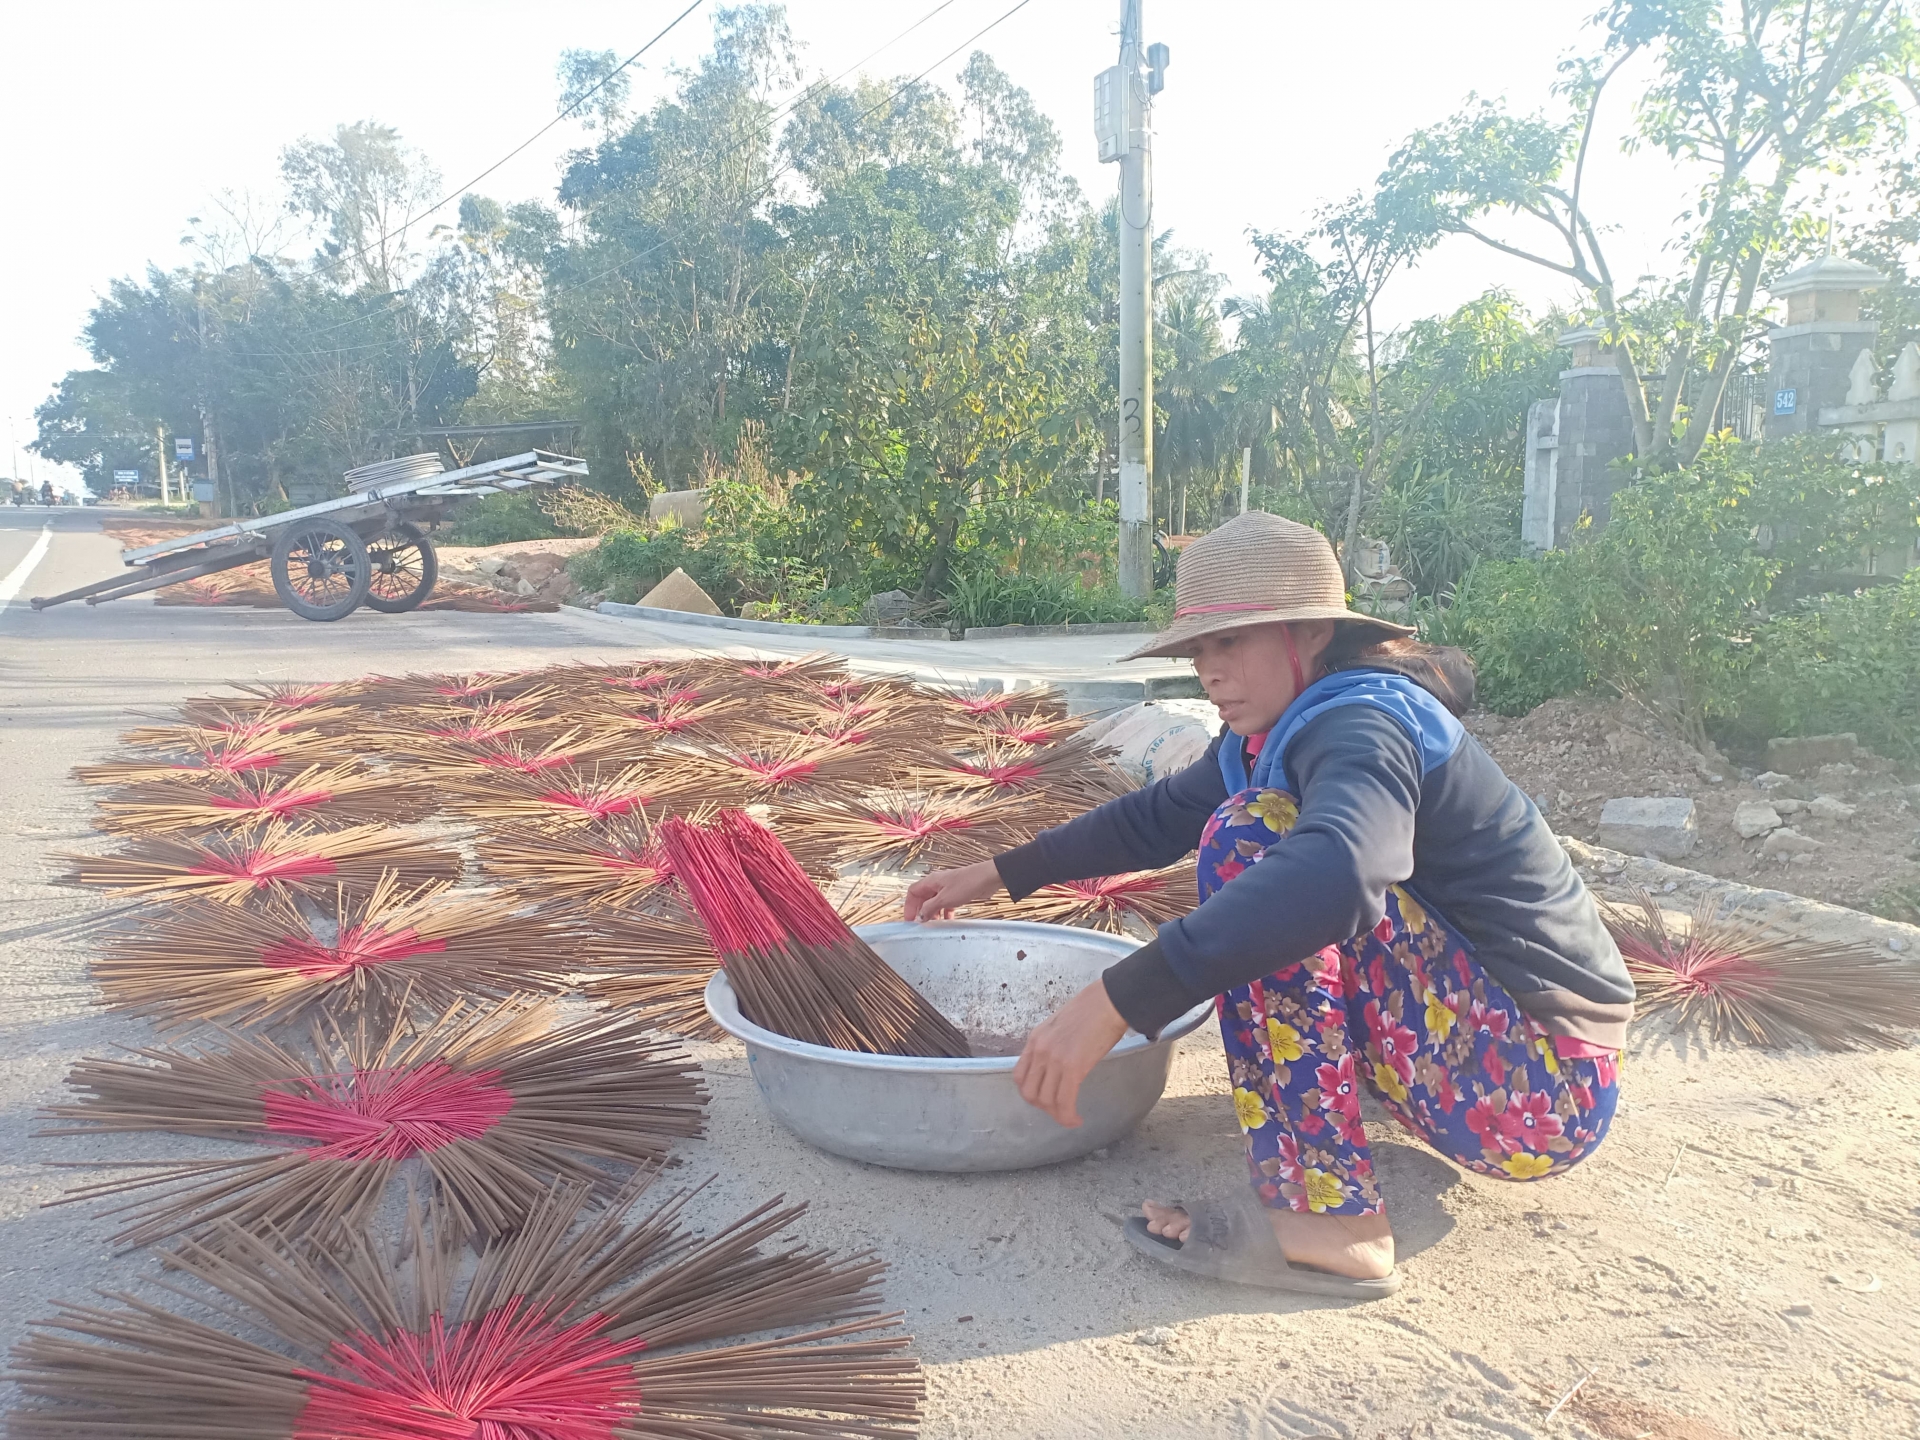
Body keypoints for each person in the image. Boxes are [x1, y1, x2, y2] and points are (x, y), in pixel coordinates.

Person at [904, 512, 1630, 1300]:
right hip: (1477, 1063)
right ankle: (1333, 1168)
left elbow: (1340, 872)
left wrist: (1119, 998)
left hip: (1538, 1091)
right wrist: (997, 872)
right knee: (1241, 828)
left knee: (1251, 840)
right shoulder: (1276, 731)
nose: (1210, 671)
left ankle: (1335, 1223)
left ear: (1312, 633)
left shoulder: (1365, 721)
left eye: (1232, 642)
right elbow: (1155, 817)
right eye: (1199, 650)